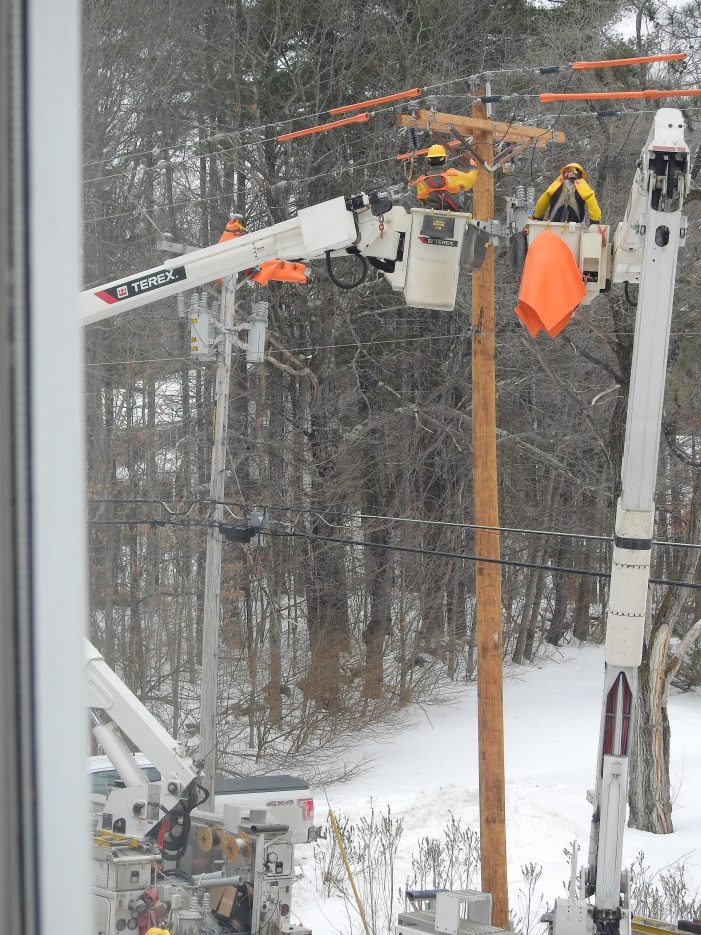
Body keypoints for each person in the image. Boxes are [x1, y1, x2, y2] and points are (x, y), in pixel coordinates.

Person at [412, 144, 478, 211]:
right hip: (455, 217)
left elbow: (419, 199)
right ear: (444, 159)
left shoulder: (421, 182)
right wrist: (472, 162)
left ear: (428, 160)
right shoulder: (454, 175)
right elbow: (471, 179)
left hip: (429, 217)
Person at [532, 163, 602, 224]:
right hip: (574, 229)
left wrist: (536, 218)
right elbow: (592, 203)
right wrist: (595, 221)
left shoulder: (556, 185)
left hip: (553, 226)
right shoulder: (582, 186)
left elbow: (542, 201)